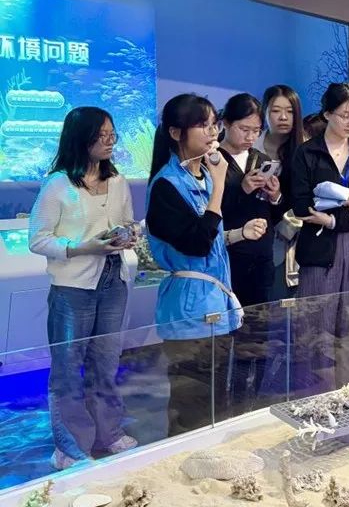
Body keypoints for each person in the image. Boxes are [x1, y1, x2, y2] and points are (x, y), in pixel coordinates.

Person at [146, 94, 265, 435]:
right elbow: (196, 244)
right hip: (189, 308)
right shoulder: (166, 186)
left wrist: (239, 234)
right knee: (192, 405)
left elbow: (209, 239)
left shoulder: (201, 177)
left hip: (215, 304)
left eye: (214, 124)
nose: (212, 132)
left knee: (216, 401)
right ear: (175, 132)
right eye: (202, 125)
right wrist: (219, 186)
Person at [29, 107, 138, 469]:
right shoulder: (57, 185)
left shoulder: (118, 181)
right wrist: (81, 247)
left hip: (113, 279)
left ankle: (108, 432)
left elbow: (126, 222)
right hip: (73, 286)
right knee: (67, 366)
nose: (110, 141)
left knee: (106, 361)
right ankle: (71, 446)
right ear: (81, 138)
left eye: (112, 134)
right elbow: (38, 239)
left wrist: (129, 235)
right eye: (101, 135)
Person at [291, 83, 349, 393]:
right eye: (345, 115)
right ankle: (314, 397)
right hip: (319, 253)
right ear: (327, 114)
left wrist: (332, 219)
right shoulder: (307, 153)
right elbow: (302, 205)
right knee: (314, 327)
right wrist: (348, 200)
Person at [218, 93, 280, 306]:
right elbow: (209, 210)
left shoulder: (261, 159)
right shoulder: (213, 159)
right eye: (244, 129)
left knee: (260, 320)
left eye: (256, 131)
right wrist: (242, 190)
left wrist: (275, 196)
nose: (250, 137)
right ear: (226, 123)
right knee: (229, 317)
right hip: (229, 255)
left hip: (262, 255)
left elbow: (276, 214)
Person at [259, 85, 306, 300]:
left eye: (290, 111)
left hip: (288, 239)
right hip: (250, 237)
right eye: (276, 111)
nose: (283, 117)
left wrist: (277, 197)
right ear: (265, 112)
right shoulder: (251, 146)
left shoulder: (305, 150)